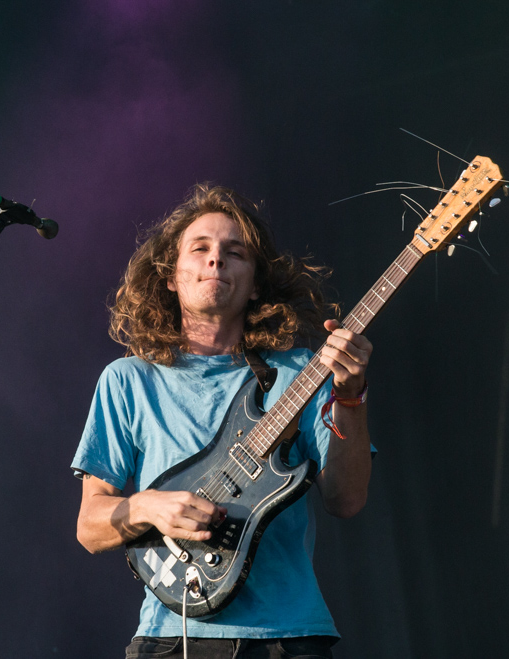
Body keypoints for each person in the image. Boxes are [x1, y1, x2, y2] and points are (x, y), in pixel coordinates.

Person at [72, 184, 373, 658]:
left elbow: (347, 499)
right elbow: (90, 526)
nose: (216, 260)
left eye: (235, 253)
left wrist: (351, 397)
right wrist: (149, 507)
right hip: (173, 635)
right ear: (171, 275)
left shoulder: (301, 371)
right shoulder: (128, 380)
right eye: (201, 248)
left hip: (289, 637)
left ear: (255, 284)